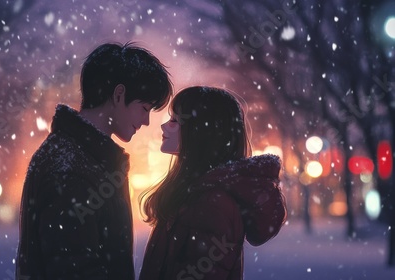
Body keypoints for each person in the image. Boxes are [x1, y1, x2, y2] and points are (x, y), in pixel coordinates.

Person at [16, 42, 173, 280]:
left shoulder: (81, 158)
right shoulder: (71, 169)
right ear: (119, 95)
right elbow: (74, 270)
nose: (146, 122)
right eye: (144, 108)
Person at [139, 86, 287, 280]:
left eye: (175, 120)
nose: (164, 126)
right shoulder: (197, 193)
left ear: (200, 132)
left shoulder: (212, 204)